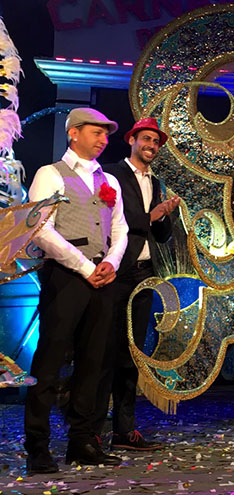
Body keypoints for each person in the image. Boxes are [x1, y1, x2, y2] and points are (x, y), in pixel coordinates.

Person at [24, 107, 128, 473]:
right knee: (50, 360)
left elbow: (120, 228)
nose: (103, 140)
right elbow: (40, 229)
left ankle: (83, 440)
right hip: (67, 277)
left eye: (105, 134)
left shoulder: (109, 180)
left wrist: (111, 262)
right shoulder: (50, 174)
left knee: (93, 362)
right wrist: (84, 267)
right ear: (73, 133)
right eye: (96, 132)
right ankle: (37, 445)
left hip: (102, 277)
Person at [93, 118, 180, 450]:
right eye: (146, 139)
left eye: (156, 142)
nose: (151, 146)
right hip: (116, 271)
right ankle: (92, 429)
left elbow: (159, 235)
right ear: (131, 140)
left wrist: (166, 214)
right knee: (104, 351)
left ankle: (124, 430)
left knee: (133, 354)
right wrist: (152, 215)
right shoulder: (111, 173)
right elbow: (111, 220)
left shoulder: (154, 183)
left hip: (145, 274)